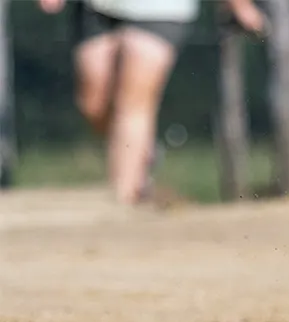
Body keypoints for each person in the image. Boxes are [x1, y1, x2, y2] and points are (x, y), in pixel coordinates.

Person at [38, 0, 266, 206]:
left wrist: (239, 5)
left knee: (132, 103)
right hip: (95, 8)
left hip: (160, 9)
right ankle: (142, 152)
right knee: (93, 105)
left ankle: (124, 200)